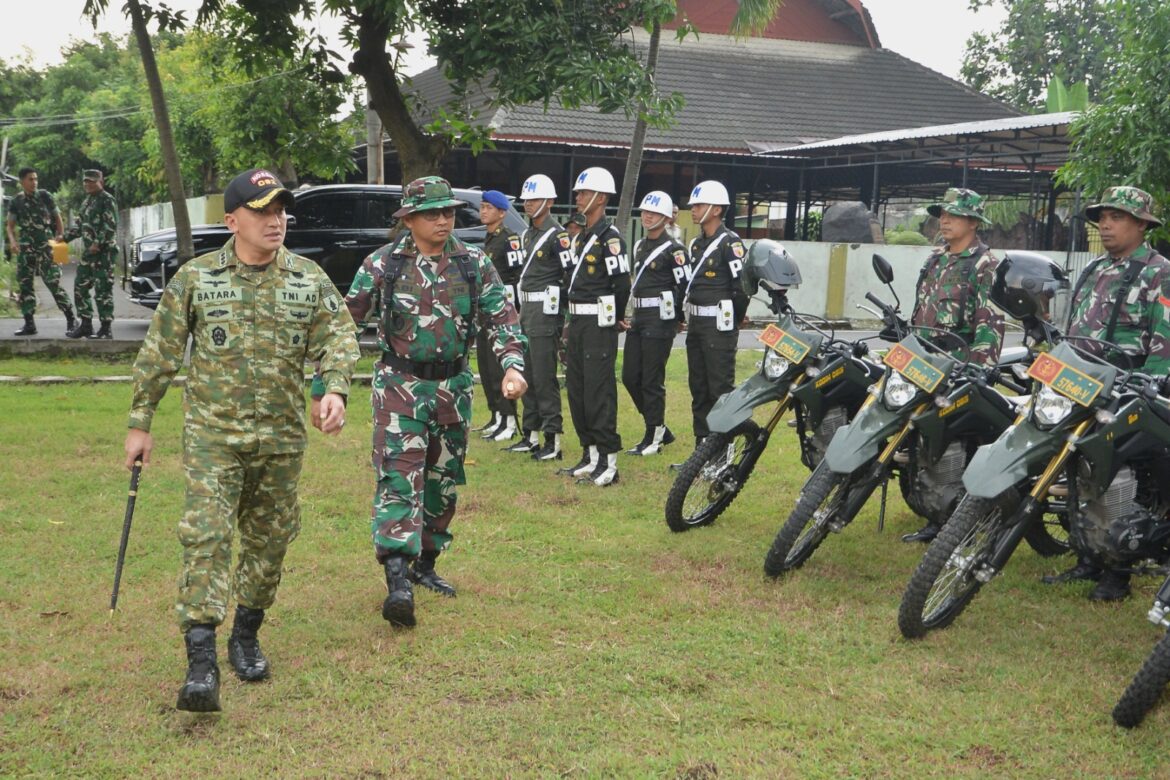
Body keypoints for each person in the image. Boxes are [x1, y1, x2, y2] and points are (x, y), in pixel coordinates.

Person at [124, 168, 360, 712]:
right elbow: (159, 353)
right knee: (206, 536)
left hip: (280, 439)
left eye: (280, 210)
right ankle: (201, 661)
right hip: (213, 437)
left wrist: (337, 390)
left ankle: (246, 634)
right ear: (232, 220)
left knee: (269, 544)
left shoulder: (308, 278)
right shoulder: (196, 278)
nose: (275, 220)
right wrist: (141, 423)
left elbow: (339, 338)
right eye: (261, 211)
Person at [336, 176, 527, 628]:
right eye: (431, 214)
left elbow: (501, 317)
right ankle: (397, 578)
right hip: (399, 387)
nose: (443, 220)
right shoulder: (381, 265)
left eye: (448, 213)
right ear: (409, 219)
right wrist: (332, 383)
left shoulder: (473, 263)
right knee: (400, 477)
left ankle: (426, 564)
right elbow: (344, 326)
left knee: (442, 481)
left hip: (453, 389)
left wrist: (513, 365)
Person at [1041, 185, 1170, 601]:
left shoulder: (1159, 271)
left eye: (1117, 217)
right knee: (1079, 475)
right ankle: (1088, 558)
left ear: (1142, 225)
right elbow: (1076, 331)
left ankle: (1118, 572)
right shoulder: (1095, 267)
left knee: (1116, 479)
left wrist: (1149, 384)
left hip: (1128, 393)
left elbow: (1164, 341)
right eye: (1102, 217)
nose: (1106, 224)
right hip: (1082, 387)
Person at [900, 188, 1004, 544]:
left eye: (954, 215)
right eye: (942, 213)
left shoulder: (985, 264)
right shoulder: (935, 259)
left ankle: (954, 519)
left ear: (974, 222)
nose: (944, 220)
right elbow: (921, 309)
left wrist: (978, 369)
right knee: (923, 440)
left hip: (958, 367)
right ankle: (933, 516)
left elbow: (990, 322)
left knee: (951, 444)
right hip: (923, 362)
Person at [560, 166, 630, 486]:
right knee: (577, 388)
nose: (578, 197)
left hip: (598, 323)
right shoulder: (583, 236)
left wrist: (612, 316)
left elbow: (621, 283)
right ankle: (589, 455)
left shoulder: (610, 239)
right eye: (578, 192)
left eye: (584, 193)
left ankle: (609, 461)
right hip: (578, 321)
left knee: (598, 390)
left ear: (600, 198)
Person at [506, 174, 574, 459]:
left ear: (549, 202)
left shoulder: (559, 237)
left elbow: (570, 276)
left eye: (534, 200)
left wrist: (565, 316)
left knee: (545, 377)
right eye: (526, 200)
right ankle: (531, 433)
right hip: (526, 310)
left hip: (547, 311)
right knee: (528, 374)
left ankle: (552, 439)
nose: (528, 204)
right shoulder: (526, 234)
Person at [683, 180, 748, 444]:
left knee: (719, 388)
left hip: (719, 325)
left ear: (717, 209)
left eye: (699, 205)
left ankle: (723, 445)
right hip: (696, 323)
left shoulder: (730, 244)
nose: (694, 210)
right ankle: (702, 445)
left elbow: (741, 288)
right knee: (698, 386)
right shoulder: (696, 245)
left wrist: (733, 320)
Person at [622, 191, 686, 455]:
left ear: (666, 217)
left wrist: (678, 319)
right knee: (629, 377)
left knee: (651, 379)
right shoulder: (638, 246)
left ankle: (654, 435)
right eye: (645, 212)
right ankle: (659, 427)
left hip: (661, 320)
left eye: (654, 213)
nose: (648, 216)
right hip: (639, 318)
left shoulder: (675, 250)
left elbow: (684, 286)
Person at [475, 190, 524, 443]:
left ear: (501, 213)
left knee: (500, 367)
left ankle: (509, 420)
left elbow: (516, 276)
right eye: (482, 207)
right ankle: (496, 415)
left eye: (488, 207)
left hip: (501, 313)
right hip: (485, 312)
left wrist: (510, 312)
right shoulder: (489, 239)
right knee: (485, 366)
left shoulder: (509, 239)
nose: (483, 211)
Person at [6, 166, 75, 336]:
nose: (34, 182)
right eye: (30, 179)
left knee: (53, 281)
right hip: (26, 247)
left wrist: (60, 235)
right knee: (25, 284)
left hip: (45, 246)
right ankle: (29, 324)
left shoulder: (45, 196)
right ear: (22, 181)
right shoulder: (16, 201)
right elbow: (10, 226)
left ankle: (72, 319)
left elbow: (57, 218)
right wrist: (13, 241)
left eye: (36, 179)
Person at [63, 169, 119, 339]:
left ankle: (105, 327)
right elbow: (80, 226)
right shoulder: (87, 201)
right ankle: (86, 324)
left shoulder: (107, 200)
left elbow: (110, 226)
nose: (88, 184)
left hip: (104, 253)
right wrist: (63, 238)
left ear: (100, 181)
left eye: (92, 181)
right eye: (86, 181)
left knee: (103, 290)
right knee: (80, 287)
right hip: (89, 254)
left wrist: (97, 243)